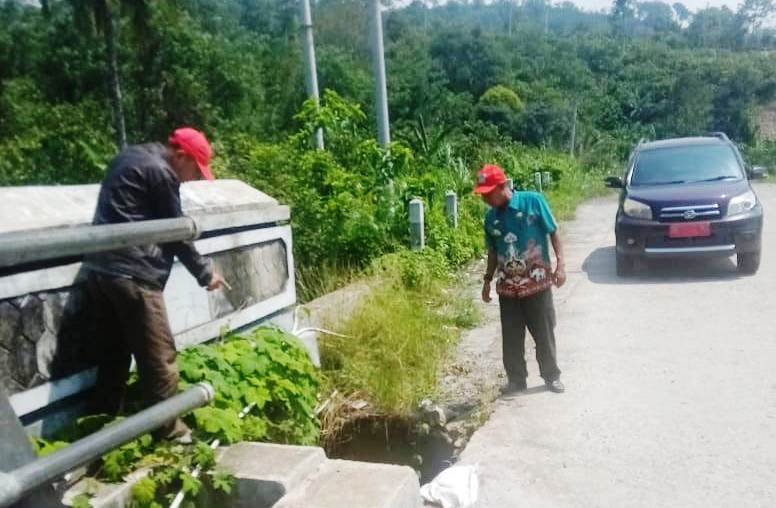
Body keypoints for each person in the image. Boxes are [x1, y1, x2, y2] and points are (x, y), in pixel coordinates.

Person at [84, 127, 228, 441]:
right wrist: (206, 273)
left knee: (114, 355)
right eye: (195, 169)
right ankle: (171, 435)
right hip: (135, 274)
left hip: (101, 270)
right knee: (159, 356)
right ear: (181, 156)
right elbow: (174, 231)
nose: (194, 179)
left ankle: (99, 429)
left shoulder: (132, 156)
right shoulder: (161, 172)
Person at [475, 164, 567, 394]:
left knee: (544, 333)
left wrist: (561, 264)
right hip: (508, 288)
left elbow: (553, 231)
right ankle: (516, 380)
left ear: (502, 186)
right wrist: (487, 280)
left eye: (488, 193)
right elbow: (493, 252)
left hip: (537, 283)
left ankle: (551, 376)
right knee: (511, 338)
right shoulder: (490, 218)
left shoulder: (533, 202)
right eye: (482, 194)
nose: (485, 198)